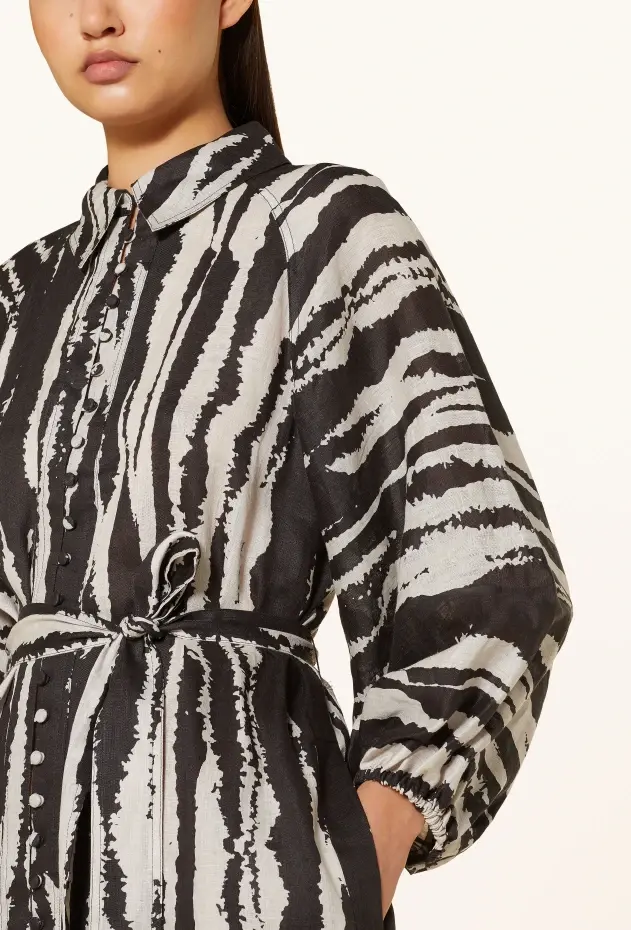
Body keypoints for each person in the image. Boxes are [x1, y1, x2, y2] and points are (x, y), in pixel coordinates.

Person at [0, 1, 574, 928]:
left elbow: (490, 569)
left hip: (243, 872)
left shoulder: (318, 230)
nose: (95, 18)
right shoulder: (24, 298)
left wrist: (358, 859)